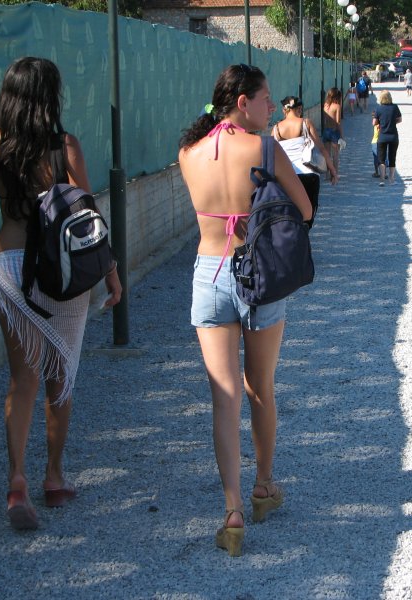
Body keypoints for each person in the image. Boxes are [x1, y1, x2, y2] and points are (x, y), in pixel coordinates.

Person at [0, 57, 122, 531]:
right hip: (61, 272)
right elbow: (87, 216)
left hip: (10, 264)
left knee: (23, 379)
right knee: (60, 376)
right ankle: (54, 478)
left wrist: (0, 255)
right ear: (49, 96)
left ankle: (16, 479)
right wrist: (111, 272)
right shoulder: (64, 146)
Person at [178, 64, 312, 556]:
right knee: (260, 386)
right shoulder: (263, 149)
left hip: (207, 273)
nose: (272, 106)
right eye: (265, 98)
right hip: (258, 273)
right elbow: (305, 210)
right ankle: (263, 485)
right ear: (242, 102)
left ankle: (232, 509)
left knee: (224, 396)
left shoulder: (188, 151)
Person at [272, 95, 338, 225]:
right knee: (307, 217)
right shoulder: (305, 123)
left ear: (284, 110)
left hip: (287, 177)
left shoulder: (276, 129)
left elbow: (271, 154)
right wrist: (333, 170)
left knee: (289, 216)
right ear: (299, 109)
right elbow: (322, 148)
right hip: (308, 175)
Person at [372, 90, 402, 186]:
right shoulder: (395, 107)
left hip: (382, 136)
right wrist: (392, 122)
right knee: (392, 157)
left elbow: (374, 122)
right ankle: (391, 179)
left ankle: (382, 179)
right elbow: (400, 119)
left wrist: (381, 122)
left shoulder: (378, 108)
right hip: (393, 136)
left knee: (381, 158)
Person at [323, 87, 344, 175]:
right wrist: (342, 135)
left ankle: (327, 175)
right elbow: (338, 122)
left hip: (326, 131)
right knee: (335, 154)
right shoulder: (337, 106)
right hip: (334, 131)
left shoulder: (325, 105)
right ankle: (335, 174)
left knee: (327, 154)